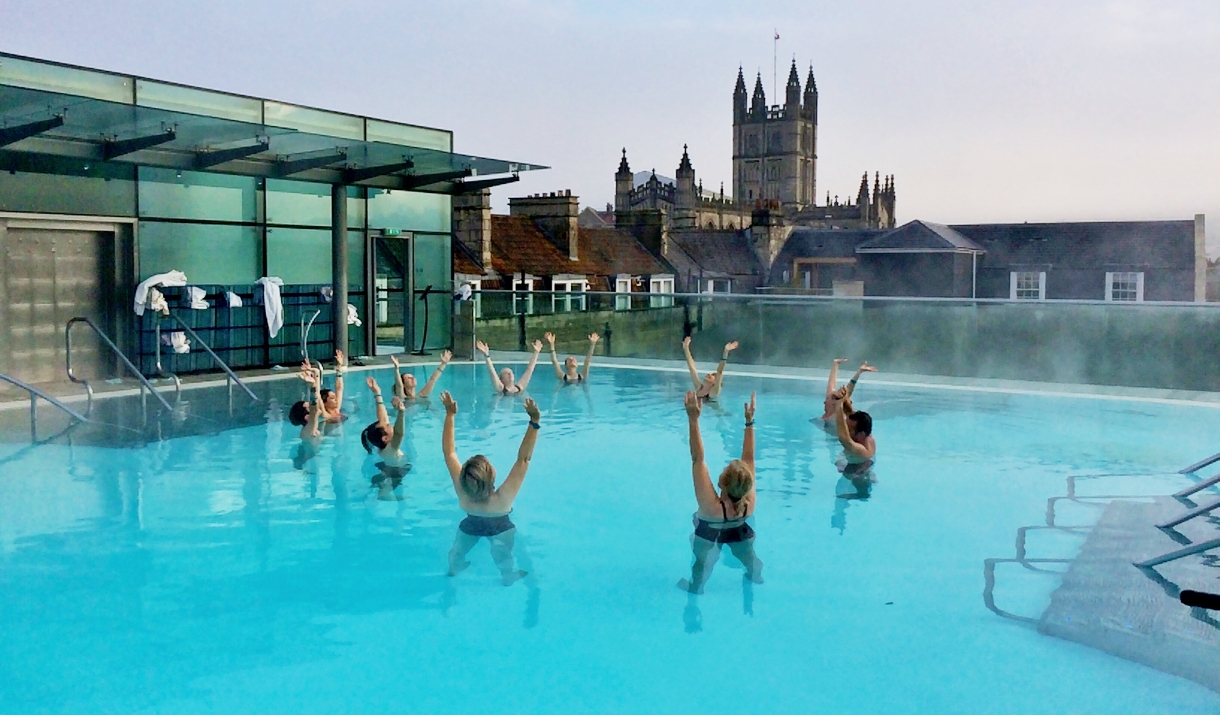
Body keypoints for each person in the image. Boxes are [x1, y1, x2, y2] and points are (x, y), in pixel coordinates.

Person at [440, 390, 541, 585]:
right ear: (491, 477)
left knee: (457, 552)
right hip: (500, 526)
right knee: (502, 555)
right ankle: (507, 575)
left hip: (471, 524)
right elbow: (524, 459)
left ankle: (454, 568)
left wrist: (450, 415)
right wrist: (534, 422)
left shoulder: (464, 493)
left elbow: (449, 453)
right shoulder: (501, 499)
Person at [678, 390, 763, 594]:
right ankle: (755, 576)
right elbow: (749, 460)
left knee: (701, 563)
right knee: (749, 558)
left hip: (709, 530)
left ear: (721, 482)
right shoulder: (749, 503)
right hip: (740, 529)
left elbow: (697, 458)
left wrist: (693, 420)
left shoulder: (711, 507)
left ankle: (696, 588)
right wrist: (749, 423)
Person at [360, 376, 408, 471]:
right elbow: (399, 434)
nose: (389, 423)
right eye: (387, 425)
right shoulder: (392, 448)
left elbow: (382, 418)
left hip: (387, 467)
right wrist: (401, 412)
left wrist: (378, 393)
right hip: (394, 474)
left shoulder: (383, 446)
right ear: (385, 438)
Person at [288, 350, 347, 427]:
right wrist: (313, 383)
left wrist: (339, 367)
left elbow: (339, 389)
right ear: (324, 403)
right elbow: (317, 395)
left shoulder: (336, 410)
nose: (336, 398)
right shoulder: (325, 415)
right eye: (332, 398)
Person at [818, 358, 876, 431]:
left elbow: (847, 392)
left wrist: (858, 373)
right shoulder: (829, 411)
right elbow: (831, 384)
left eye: (827, 399)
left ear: (834, 404)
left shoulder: (835, 416)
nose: (824, 402)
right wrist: (835, 364)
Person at [476, 339, 542, 395]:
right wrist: (486, 355)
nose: (510, 374)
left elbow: (529, 370)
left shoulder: (519, 387)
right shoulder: (501, 389)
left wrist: (536, 352)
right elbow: (492, 371)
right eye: (506, 373)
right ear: (501, 379)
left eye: (511, 372)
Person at [830, 387, 875, 466]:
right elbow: (849, 412)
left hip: (855, 476)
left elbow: (843, 438)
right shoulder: (865, 431)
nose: (846, 430)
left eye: (849, 429)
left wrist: (838, 405)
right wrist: (843, 396)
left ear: (861, 434)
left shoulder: (862, 451)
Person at [683, 336, 738, 400]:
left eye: (712, 376)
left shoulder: (713, 393)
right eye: (710, 374)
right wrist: (686, 348)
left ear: (714, 382)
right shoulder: (699, 387)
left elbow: (719, 372)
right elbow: (692, 368)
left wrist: (725, 352)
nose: (709, 374)